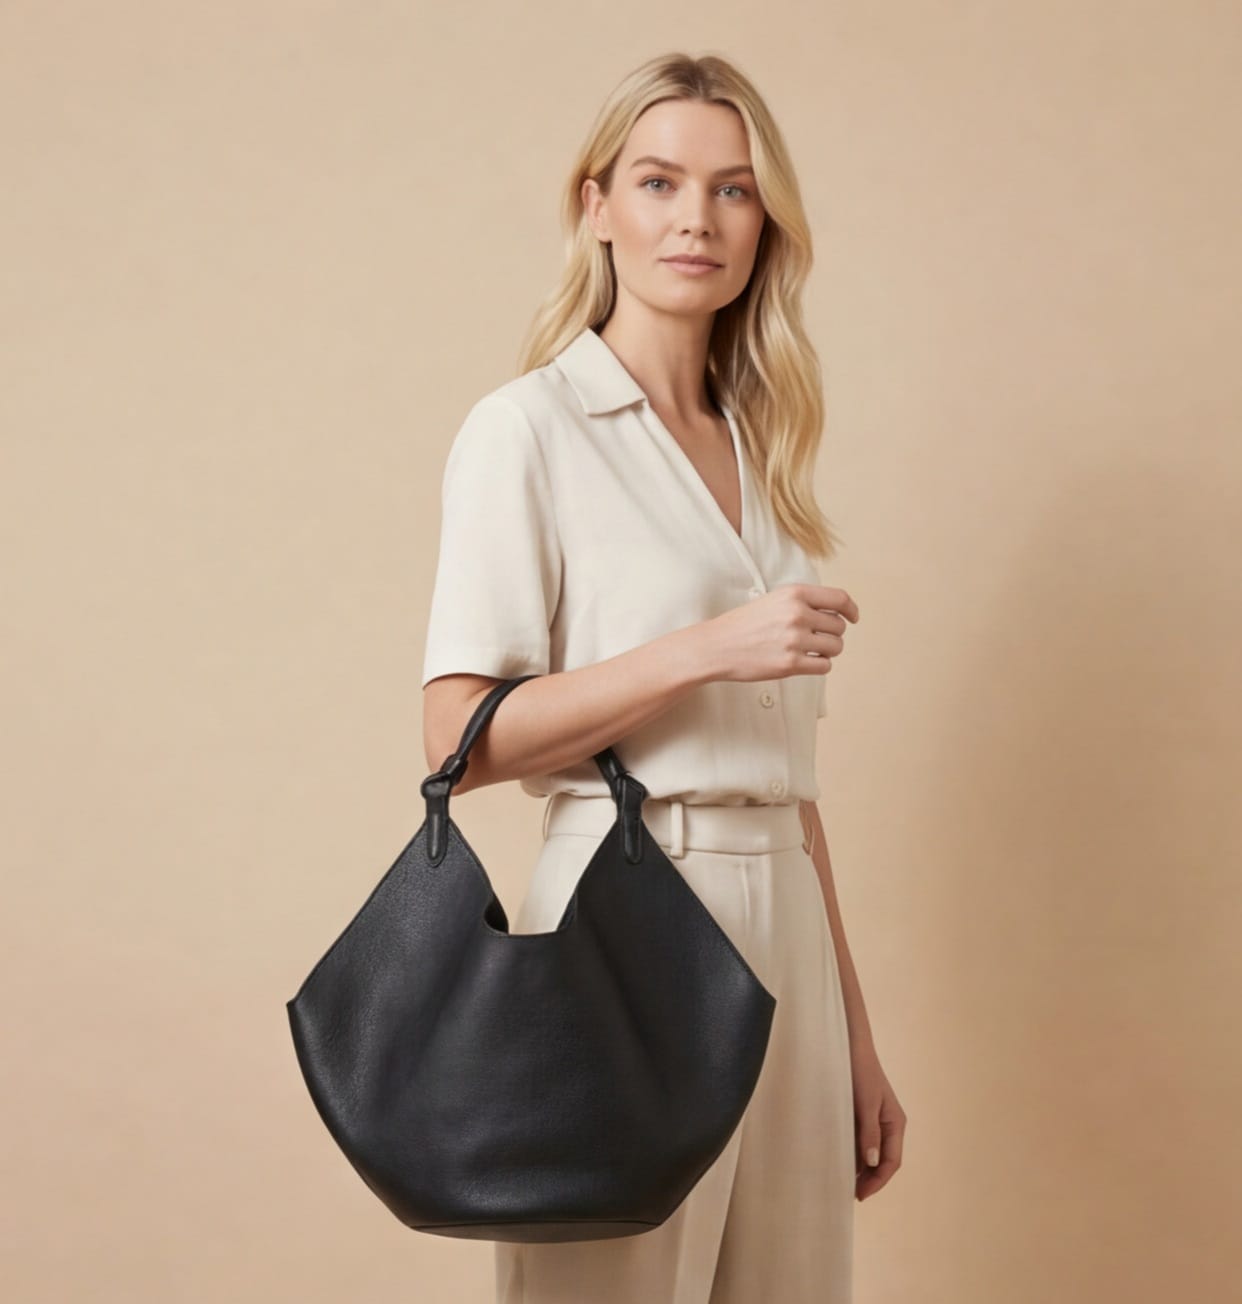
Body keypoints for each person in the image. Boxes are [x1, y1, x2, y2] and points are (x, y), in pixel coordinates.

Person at [421, 50, 906, 1304]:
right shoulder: (528, 427)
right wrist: (707, 648)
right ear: (596, 205)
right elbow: (453, 742)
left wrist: (852, 1032)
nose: (697, 217)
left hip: (783, 912)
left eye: (734, 189)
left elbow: (788, 781)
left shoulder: (766, 448)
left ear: (766, 223)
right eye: (659, 180)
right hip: (622, 905)